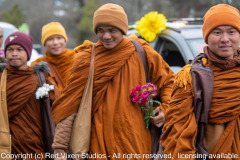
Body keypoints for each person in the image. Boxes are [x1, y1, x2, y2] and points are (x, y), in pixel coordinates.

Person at [51, 3, 174, 160]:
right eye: (100, 30)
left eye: (112, 30)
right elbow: (68, 107)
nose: (106, 36)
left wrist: (166, 109)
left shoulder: (142, 52)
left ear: (122, 30)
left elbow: (170, 83)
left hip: (136, 143)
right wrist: (60, 148)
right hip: (98, 144)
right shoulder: (86, 59)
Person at [161, 4, 240, 160]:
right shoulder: (190, 77)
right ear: (207, 37)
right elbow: (178, 135)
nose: (225, 39)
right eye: (217, 32)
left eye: (231, 32)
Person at [0, 31, 60, 158]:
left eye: (20, 49)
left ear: (28, 52)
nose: (14, 54)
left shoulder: (40, 77)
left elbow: (59, 106)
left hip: (34, 145)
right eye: (10, 49)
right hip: (5, 146)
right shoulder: (1, 78)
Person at [31, 22, 75, 93]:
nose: (55, 42)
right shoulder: (38, 64)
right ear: (44, 43)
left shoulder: (77, 59)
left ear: (65, 40)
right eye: (50, 39)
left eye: (59, 38)